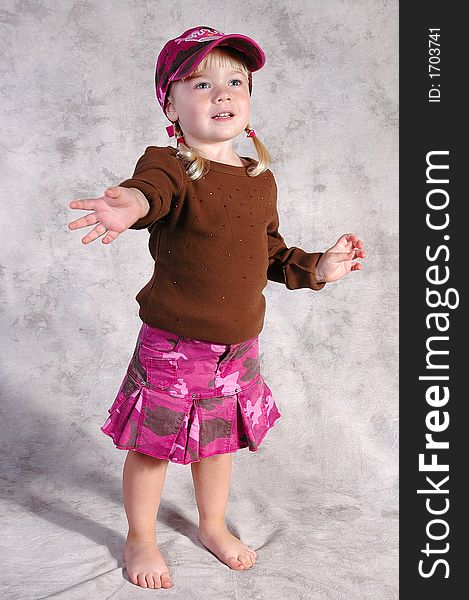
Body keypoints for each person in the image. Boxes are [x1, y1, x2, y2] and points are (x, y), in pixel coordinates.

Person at [68, 26, 365, 591]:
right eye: (201, 83)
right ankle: (142, 538)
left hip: (238, 347)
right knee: (153, 448)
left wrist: (318, 268)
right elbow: (150, 190)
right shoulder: (171, 165)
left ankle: (210, 524)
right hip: (175, 346)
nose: (221, 94)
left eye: (234, 82)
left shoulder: (259, 180)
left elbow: (271, 254)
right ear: (171, 105)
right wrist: (130, 203)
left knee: (219, 444)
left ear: (249, 99)